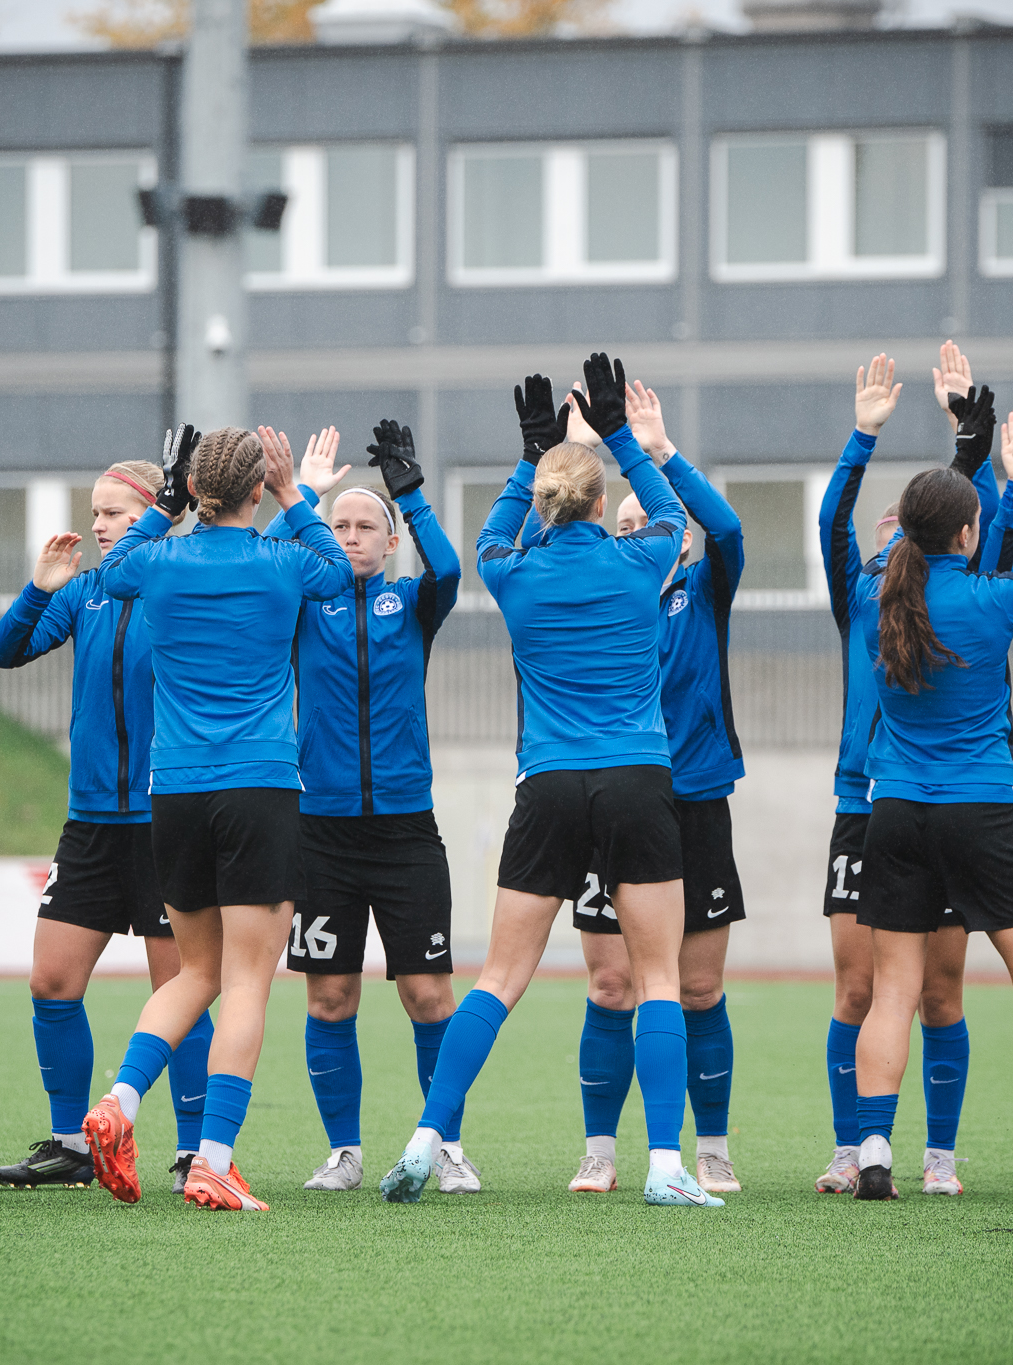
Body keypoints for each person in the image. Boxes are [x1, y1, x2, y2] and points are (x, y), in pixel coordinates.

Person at [379, 353, 720, 1209]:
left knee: (498, 976)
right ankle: (667, 1167)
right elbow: (676, 509)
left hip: (551, 785)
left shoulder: (511, 568)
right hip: (638, 779)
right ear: (602, 503)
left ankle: (427, 1135)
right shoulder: (645, 560)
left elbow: (495, 527)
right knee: (656, 981)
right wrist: (616, 437)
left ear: (541, 504)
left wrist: (531, 453)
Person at [81, 423, 355, 1212]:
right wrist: (297, 493)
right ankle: (214, 1159)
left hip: (176, 792)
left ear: (194, 488)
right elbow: (336, 572)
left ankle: (120, 1102)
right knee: (244, 984)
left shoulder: (158, 562)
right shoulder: (284, 561)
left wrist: (166, 499)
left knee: (194, 973)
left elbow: (118, 564)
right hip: (259, 788)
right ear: (254, 489)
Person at [848, 410, 1013, 1204]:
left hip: (893, 810)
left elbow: (898, 550)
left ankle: (870, 1152)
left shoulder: (873, 596)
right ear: (968, 533)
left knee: (894, 991)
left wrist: (988, 488)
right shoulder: (993, 597)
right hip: (980, 812)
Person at [0, 456, 213, 1194]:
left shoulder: (177, 582)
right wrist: (36, 590)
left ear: (157, 512)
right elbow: (4, 651)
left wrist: (161, 523)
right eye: (97, 510)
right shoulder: (82, 593)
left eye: (115, 511)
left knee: (177, 986)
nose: (98, 524)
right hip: (89, 823)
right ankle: (69, 1143)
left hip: (163, 819)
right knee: (52, 980)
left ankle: (193, 1150)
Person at [262, 419, 474, 1193]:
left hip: (406, 833)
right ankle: (344, 1151)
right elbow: (263, 561)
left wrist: (409, 495)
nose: (350, 537)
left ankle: (444, 1143)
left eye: (364, 527)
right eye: (338, 527)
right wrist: (302, 500)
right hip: (318, 834)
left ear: (387, 544)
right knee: (330, 994)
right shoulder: (296, 604)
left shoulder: (413, 603)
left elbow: (450, 568)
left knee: (428, 993)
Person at [813, 345, 998, 1197]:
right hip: (868, 805)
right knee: (858, 985)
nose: (889, 538)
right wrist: (862, 437)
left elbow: (982, 521)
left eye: (902, 529)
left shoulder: (959, 591)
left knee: (943, 992)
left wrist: (971, 439)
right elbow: (830, 524)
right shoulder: (861, 596)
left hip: (946, 801)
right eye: (880, 530)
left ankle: (942, 1157)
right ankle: (855, 1148)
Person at [565, 380, 747, 1197]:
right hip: (612, 798)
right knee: (611, 983)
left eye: (651, 524)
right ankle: (600, 1149)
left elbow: (730, 528)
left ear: (672, 538)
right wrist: (571, 450)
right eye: (623, 524)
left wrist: (657, 451)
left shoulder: (704, 589)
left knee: (699, 984)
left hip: (698, 797)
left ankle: (710, 1148)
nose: (638, 535)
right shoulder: (603, 599)